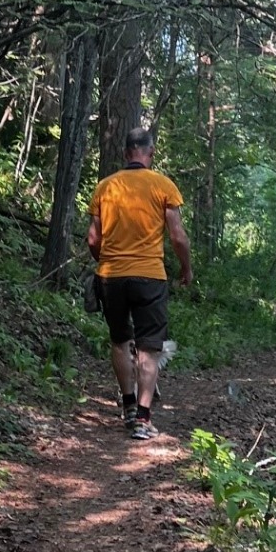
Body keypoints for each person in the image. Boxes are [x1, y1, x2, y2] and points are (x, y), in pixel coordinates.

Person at [87, 126, 192, 440]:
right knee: (149, 347)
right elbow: (177, 236)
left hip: (111, 276)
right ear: (151, 152)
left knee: (120, 340)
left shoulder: (105, 186)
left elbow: (93, 239)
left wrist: (105, 261)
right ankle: (143, 421)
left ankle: (129, 406)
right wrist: (186, 269)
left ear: (125, 153)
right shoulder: (163, 186)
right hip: (150, 277)